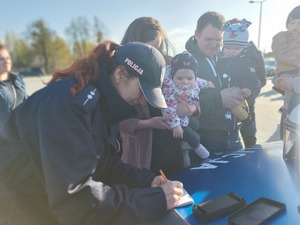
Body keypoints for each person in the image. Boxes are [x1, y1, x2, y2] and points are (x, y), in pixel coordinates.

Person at [0, 41, 184, 225]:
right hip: (20, 209)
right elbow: (77, 202)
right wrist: (155, 200)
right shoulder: (68, 104)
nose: (144, 100)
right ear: (120, 73)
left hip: (46, 203)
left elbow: (103, 164)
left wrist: (148, 181)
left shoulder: (99, 103)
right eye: (143, 90)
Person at [185, 11, 244, 158]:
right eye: (208, 39)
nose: (214, 45)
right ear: (196, 34)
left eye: (218, 40)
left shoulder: (228, 58)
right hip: (206, 141)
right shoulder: (185, 63)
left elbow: (256, 79)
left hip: (234, 137)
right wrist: (218, 99)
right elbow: (181, 105)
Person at [118, 17, 173, 169]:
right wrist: (148, 123)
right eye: (149, 50)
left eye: (158, 50)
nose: (154, 56)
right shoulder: (121, 78)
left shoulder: (168, 68)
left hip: (169, 149)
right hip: (141, 155)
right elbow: (117, 124)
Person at [162, 51, 214, 167]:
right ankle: (197, 147)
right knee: (195, 137)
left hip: (185, 117)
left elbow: (200, 81)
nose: (185, 81)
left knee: (195, 124)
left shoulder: (194, 81)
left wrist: (208, 83)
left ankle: (185, 143)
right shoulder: (170, 89)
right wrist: (175, 125)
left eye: (189, 78)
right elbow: (168, 109)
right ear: (172, 76)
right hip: (175, 121)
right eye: (179, 78)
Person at [217, 19, 261, 147]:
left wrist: (248, 89)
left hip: (242, 96)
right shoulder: (221, 59)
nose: (231, 51)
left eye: (236, 49)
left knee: (243, 116)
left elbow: (252, 78)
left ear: (244, 47)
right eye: (228, 48)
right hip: (226, 96)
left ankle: (249, 128)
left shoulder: (247, 61)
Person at [0, 44, 28, 225]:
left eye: (7, 58)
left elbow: (28, 102)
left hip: (22, 144)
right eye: (1, 59)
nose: (6, 61)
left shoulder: (17, 80)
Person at [272, 5, 300, 138]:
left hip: (297, 73)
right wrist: (296, 61)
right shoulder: (282, 36)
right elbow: (280, 53)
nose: (295, 26)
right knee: (290, 100)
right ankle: (287, 113)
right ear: (287, 23)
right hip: (286, 71)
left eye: (299, 23)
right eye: (292, 22)